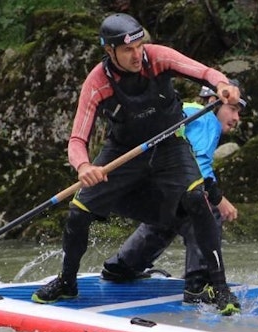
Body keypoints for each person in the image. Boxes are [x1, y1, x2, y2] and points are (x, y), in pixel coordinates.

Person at [31, 13, 241, 315]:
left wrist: (222, 84)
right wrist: (84, 167)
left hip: (169, 144)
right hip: (123, 151)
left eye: (139, 46)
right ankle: (67, 282)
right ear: (110, 51)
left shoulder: (157, 58)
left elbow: (203, 72)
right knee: (78, 212)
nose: (137, 54)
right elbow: (77, 139)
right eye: (128, 50)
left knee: (197, 197)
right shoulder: (97, 82)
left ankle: (219, 288)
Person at [100, 84, 244, 304]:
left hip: (138, 183)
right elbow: (197, 169)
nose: (236, 117)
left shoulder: (188, 111)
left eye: (239, 112)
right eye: (233, 109)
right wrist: (219, 199)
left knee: (170, 217)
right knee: (204, 208)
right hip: (149, 179)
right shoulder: (207, 120)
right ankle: (198, 284)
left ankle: (121, 267)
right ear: (214, 101)